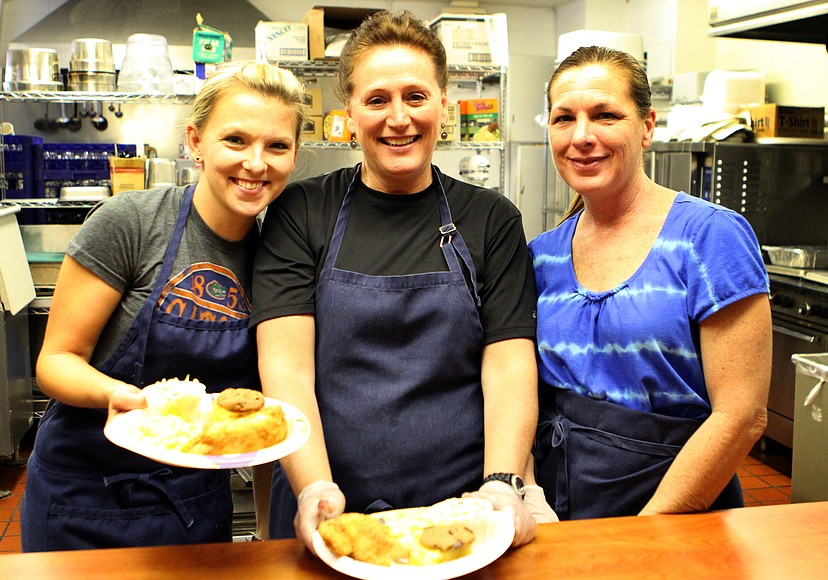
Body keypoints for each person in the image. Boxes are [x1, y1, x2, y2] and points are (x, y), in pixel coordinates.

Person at [251, 10, 543, 550]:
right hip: (331, 504)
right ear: (350, 111)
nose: (399, 118)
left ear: (443, 104)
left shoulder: (489, 217)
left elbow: (508, 360)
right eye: (377, 99)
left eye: (415, 96)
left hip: (462, 506)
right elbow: (286, 365)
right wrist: (314, 484)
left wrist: (502, 485)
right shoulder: (303, 211)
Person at [21, 60, 305, 551]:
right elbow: (55, 363)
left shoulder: (281, 256)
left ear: (295, 155)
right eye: (235, 140)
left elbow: (262, 419)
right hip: (84, 497)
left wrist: (262, 530)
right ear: (196, 142)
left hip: (194, 507)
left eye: (277, 145)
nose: (256, 163)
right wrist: (123, 397)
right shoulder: (132, 222)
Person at [529, 46, 772, 520]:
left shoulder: (709, 236)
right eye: (564, 119)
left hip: (677, 511)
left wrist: (650, 529)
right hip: (563, 510)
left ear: (646, 127)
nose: (582, 136)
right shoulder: (542, 255)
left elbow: (741, 416)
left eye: (605, 115)